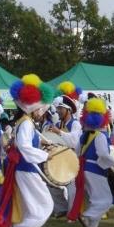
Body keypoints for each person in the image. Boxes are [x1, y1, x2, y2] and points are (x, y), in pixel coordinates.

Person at [0, 74, 55, 227]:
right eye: (41, 108)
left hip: (24, 168)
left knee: (29, 205)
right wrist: (44, 155)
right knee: (45, 204)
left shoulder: (23, 122)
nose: (42, 112)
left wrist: (42, 144)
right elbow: (24, 147)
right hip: (26, 168)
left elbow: (22, 144)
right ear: (33, 107)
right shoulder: (26, 123)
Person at [68, 97, 114, 227]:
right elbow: (103, 154)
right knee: (105, 199)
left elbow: (77, 152)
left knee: (95, 198)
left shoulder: (84, 135)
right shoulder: (100, 136)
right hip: (95, 169)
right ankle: (88, 215)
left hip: (83, 169)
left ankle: (92, 226)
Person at [46, 81, 82, 217]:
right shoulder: (57, 123)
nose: (58, 111)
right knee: (52, 184)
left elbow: (74, 141)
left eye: (61, 108)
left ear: (68, 110)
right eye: (58, 108)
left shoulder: (76, 124)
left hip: (72, 160)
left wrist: (58, 132)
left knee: (71, 187)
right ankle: (61, 209)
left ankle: (73, 212)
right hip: (58, 158)